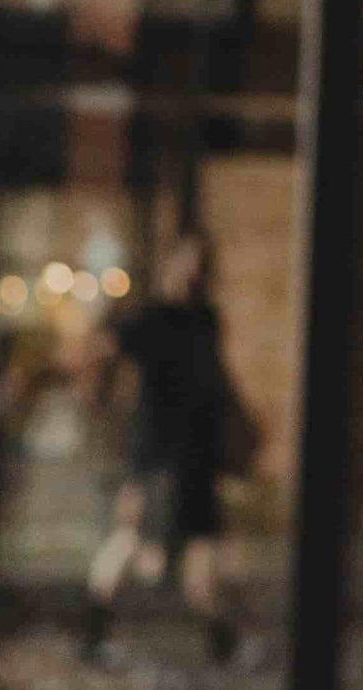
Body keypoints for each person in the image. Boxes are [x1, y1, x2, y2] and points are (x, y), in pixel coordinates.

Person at [84, 235, 260, 666]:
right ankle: (93, 629)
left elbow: (216, 379)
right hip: (157, 457)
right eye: (187, 262)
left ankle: (225, 643)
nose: (194, 272)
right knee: (133, 543)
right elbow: (99, 349)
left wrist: (238, 430)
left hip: (196, 456)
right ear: (170, 265)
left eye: (200, 263)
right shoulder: (149, 318)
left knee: (202, 553)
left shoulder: (205, 319)